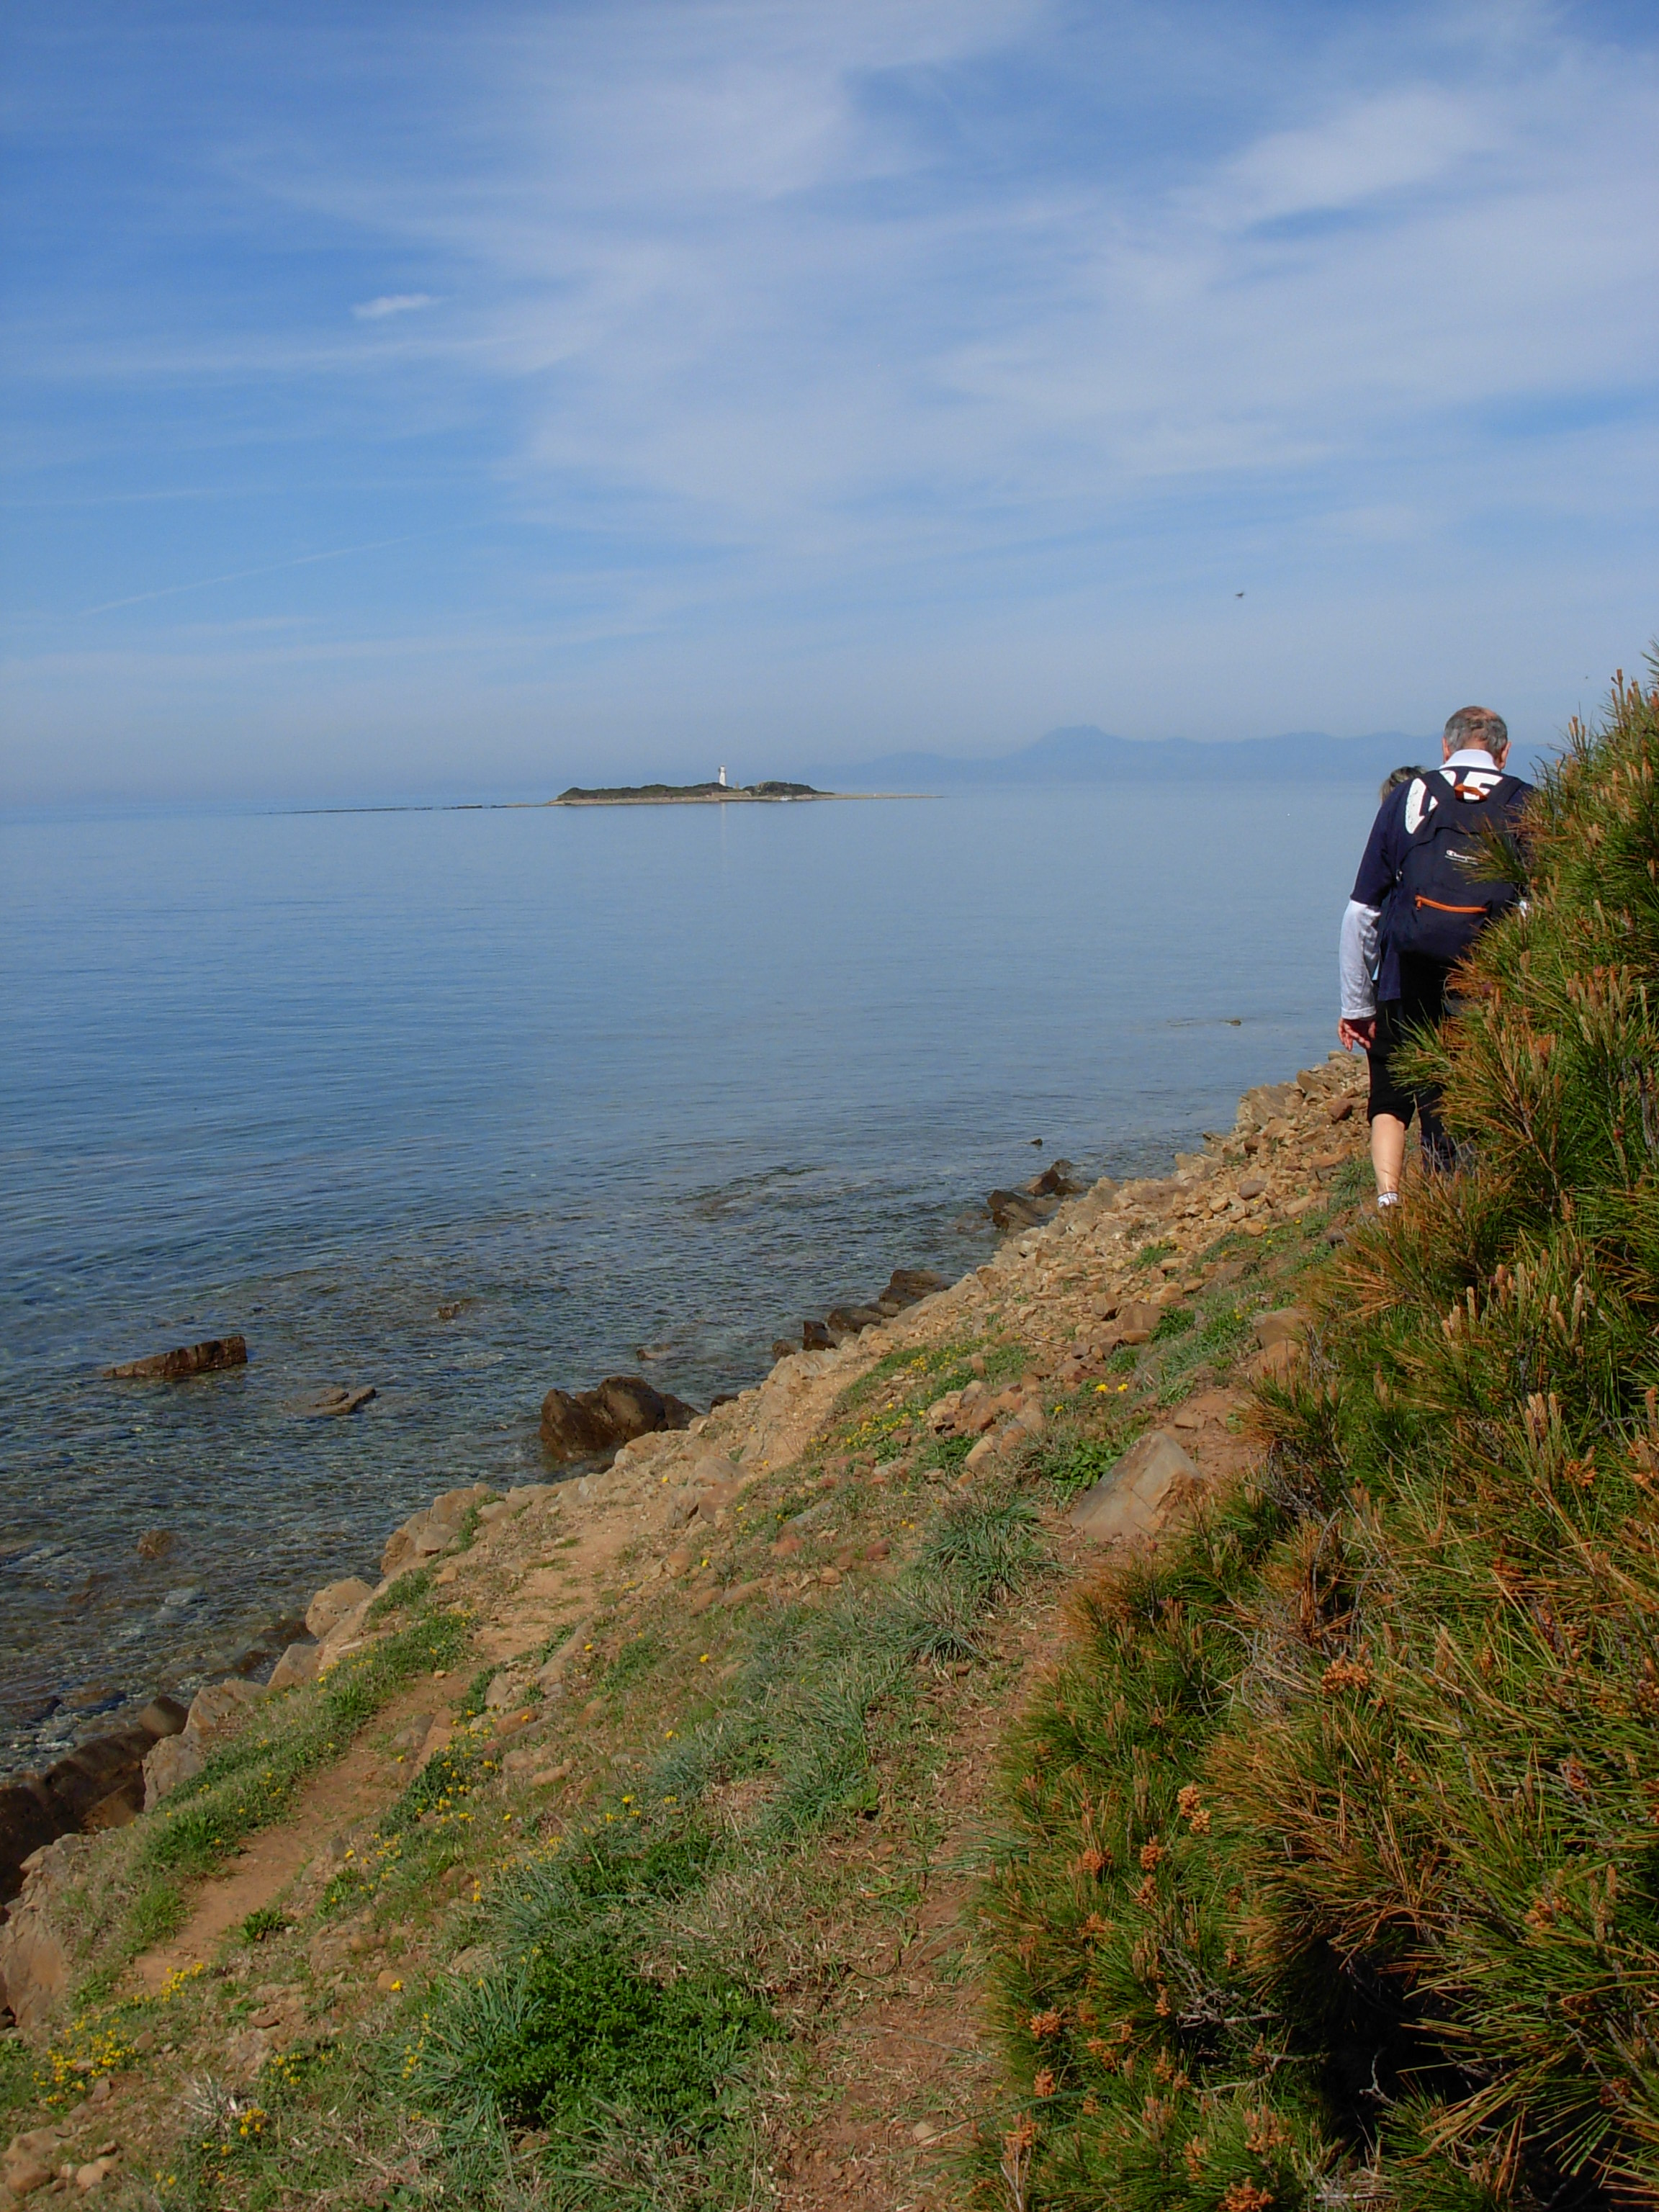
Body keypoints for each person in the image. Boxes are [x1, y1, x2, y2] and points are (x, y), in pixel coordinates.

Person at [1338, 707, 1532, 1208]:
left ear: (1445, 748)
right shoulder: (1526, 802)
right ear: (1504, 752)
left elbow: (1361, 912)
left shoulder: (1408, 797)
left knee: (1403, 1091)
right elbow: (1540, 906)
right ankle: (1474, 1197)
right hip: (1488, 980)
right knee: (1471, 1089)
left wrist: (1357, 1005)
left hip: (1409, 973)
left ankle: (1403, 1203)